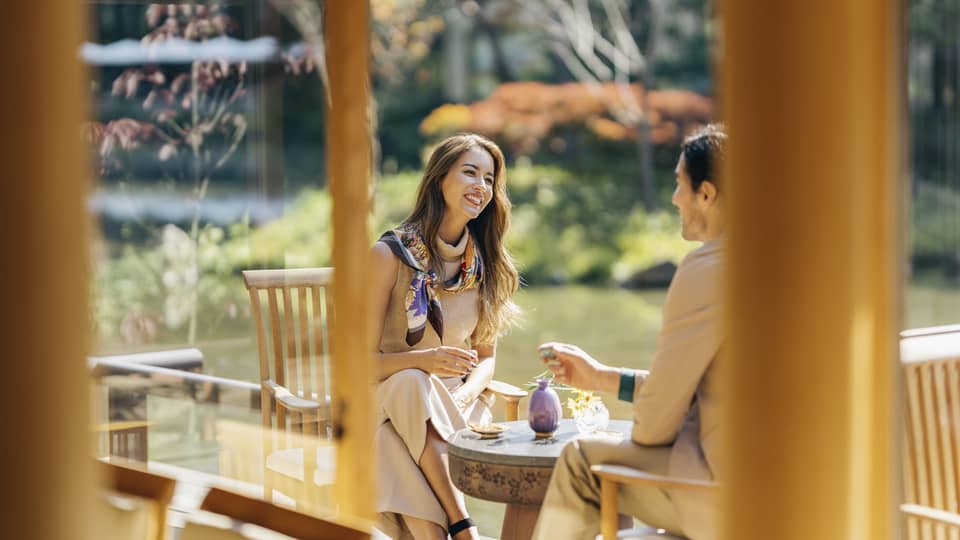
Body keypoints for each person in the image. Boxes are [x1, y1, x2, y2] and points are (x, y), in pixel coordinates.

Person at [532, 124, 727, 540]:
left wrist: (657, 417)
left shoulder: (708, 268)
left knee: (580, 460)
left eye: (679, 184)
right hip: (810, 494)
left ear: (706, 194)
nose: (674, 197)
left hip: (732, 501)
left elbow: (653, 428)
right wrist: (602, 378)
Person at [370, 133, 520, 540]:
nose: (481, 186)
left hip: (459, 406)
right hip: (385, 396)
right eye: (470, 172)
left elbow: (486, 358)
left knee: (388, 446)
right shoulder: (388, 256)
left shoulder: (485, 264)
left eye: (489, 179)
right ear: (439, 179)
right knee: (411, 383)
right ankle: (463, 525)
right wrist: (422, 362)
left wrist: (466, 394)